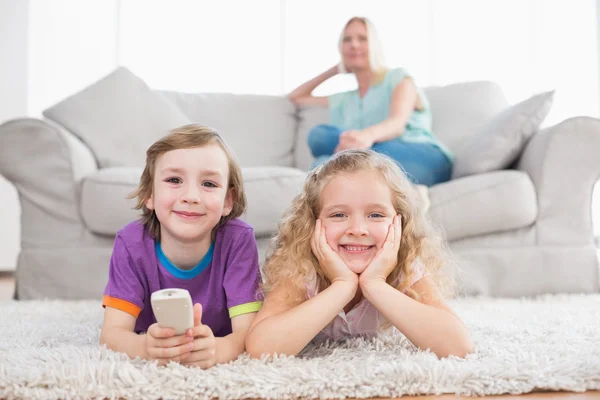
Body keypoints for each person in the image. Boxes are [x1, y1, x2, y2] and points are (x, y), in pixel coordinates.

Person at [245, 149, 472, 359]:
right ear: (312, 223)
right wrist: (342, 286)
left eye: (375, 215)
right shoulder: (299, 266)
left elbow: (458, 346)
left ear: (399, 223)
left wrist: (375, 284)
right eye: (338, 215)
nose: (357, 229)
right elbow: (261, 348)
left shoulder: (406, 265)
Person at [100, 124, 262, 369]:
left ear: (228, 200)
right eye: (174, 180)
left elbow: (249, 334)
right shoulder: (131, 242)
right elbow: (111, 334)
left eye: (208, 184)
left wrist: (218, 349)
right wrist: (144, 347)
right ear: (149, 194)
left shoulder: (237, 240)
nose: (191, 196)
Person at [288, 17, 454, 187]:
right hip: (374, 162)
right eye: (347, 40)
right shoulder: (344, 99)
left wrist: (365, 136)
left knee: (323, 141)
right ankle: (357, 163)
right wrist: (336, 69)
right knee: (319, 146)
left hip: (421, 156)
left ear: (375, 45)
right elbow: (296, 98)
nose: (354, 44)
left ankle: (356, 158)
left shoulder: (398, 78)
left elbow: (397, 123)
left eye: (362, 38)